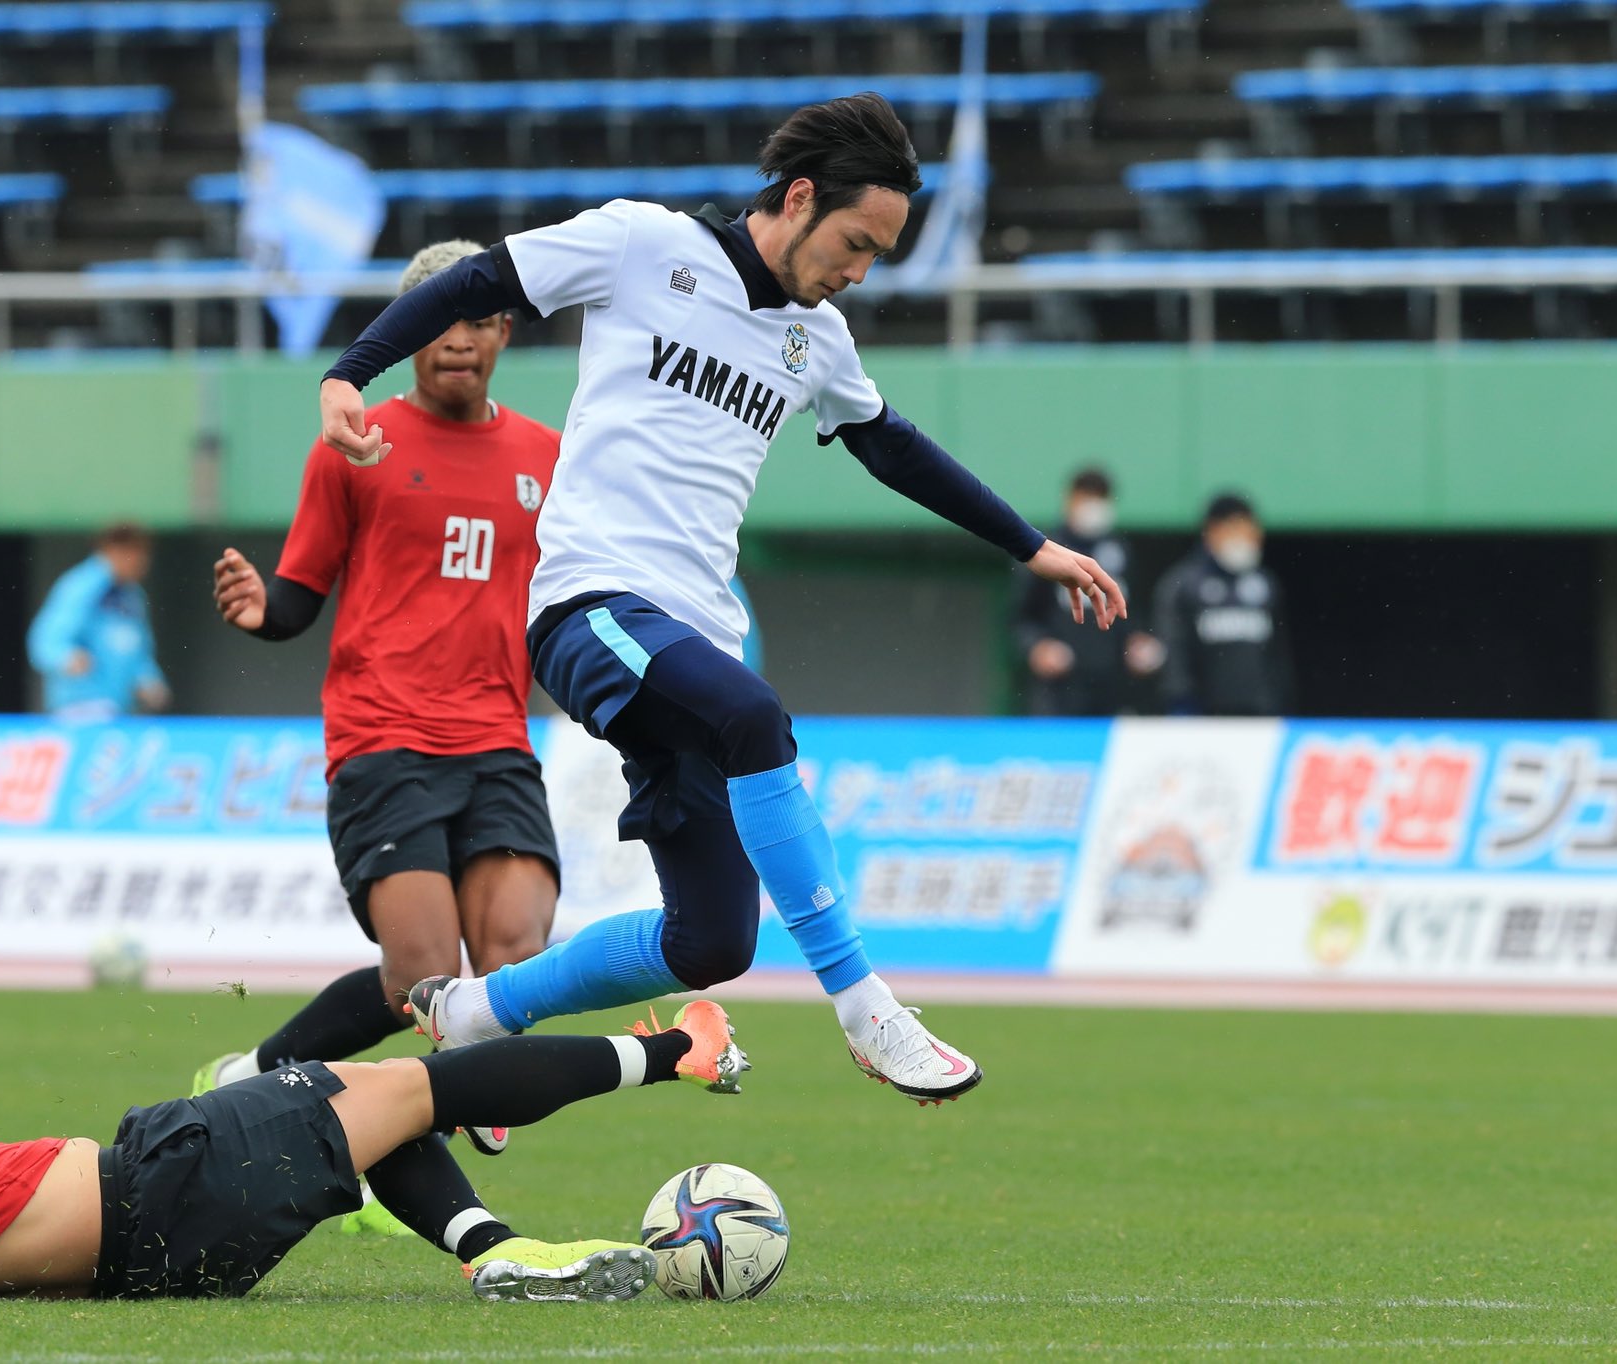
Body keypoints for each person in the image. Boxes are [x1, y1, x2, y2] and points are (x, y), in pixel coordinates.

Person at [314, 93, 1126, 1106]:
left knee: (710, 940)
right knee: (752, 714)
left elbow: (891, 446)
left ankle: (479, 1010)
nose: (861, 270)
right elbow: (484, 276)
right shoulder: (639, 242)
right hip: (588, 606)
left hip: (693, 638)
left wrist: (1033, 546)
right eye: (856, 241)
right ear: (797, 197)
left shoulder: (816, 336)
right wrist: (351, 372)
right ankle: (865, 1005)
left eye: (878, 253)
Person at [0, 1001, 746, 1305]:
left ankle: (487, 1245)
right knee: (415, 1080)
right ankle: (671, 1053)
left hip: (153, 1210)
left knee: (377, 1099)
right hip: (158, 1191)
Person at [194, 241, 564, 1164]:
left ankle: (455, 1087)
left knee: (515, 964)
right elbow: (298, 596)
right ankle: (260, 1074)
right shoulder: (357, 448)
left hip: (498, 743)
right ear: (405, 336)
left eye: (476, 319)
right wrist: (258, 610)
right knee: (422, 982)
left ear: (503, 331)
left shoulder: (548, 458)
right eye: (436, 320)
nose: (458, 340)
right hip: (384, 741)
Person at [1011, 467, 1161, 716]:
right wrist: (1038, 647)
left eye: (1100, 498)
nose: (1093, 506)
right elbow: (1022, 618)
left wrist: (1139, 640)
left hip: (1113, 685)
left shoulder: (1121, 551)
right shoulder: (1044, 549)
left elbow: (1132, 612)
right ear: (1069, 500)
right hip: (1060, 688)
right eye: (1086, 497)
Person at [1154, 492, 1295, 717]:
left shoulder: (1265, 585)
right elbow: (1174, 652)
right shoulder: (1184, 584)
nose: (1243, 539)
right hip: (1203, 716)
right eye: (1233, 530)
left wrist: (1277, 703)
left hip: (1259, 714)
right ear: (1212, 531)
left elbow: (1278, 657)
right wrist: (1182, 705)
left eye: (1248, 531)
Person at [27, 523, 169, 723]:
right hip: (80, 705)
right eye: (136, 553)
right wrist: (67, 658)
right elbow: (45, 639)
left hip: (119, 709)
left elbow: (138, 651)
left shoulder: (133, 596)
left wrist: (149, 680)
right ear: (114, 550)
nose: (143, 562)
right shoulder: (81, 586)